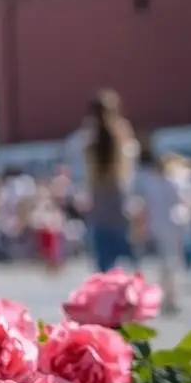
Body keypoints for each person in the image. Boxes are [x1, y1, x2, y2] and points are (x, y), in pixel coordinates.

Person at [82, 91, 136, 272]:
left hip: (99, 197)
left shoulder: (90, 136)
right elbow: (129, 167)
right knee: (126, 253)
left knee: (104, 259)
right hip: (118, 196)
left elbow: (87, 171)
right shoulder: (121, 132)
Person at [131, 140, 185, 312]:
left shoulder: (150, 182)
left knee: (162, 263)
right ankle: (169, 297)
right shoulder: (173, 181)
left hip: (157, 224)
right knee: (171, 262)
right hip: (172, 224)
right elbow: (183, 202)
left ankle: (163, 296)